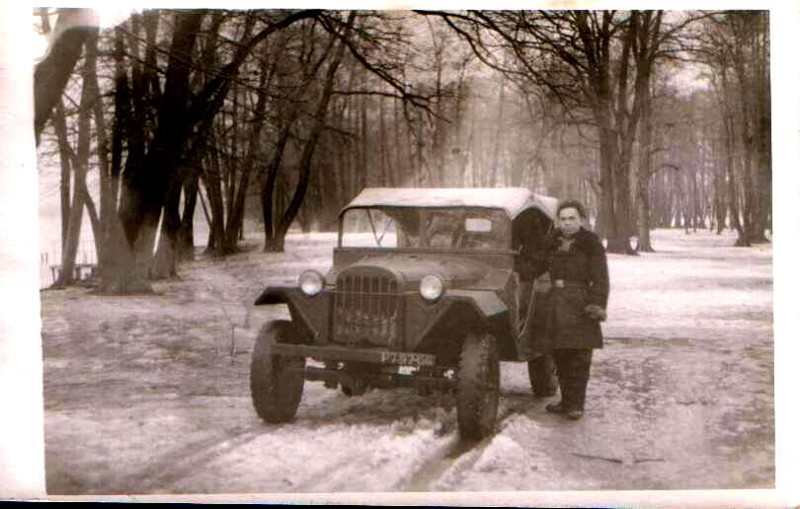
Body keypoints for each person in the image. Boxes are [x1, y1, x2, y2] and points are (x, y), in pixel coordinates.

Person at [536, 199, 610, 420]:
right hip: (554, 303)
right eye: (563, 219)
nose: (567, 223)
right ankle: (566, 401)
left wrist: (596, 304)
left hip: (580, 303)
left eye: (572, 219)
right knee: (559, 354)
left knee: (579, 356)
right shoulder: (551, 241)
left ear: (581, 220)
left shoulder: (591, 243)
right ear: (558, 221)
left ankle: (576, 404)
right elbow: (536, 265)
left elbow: (600, 278)